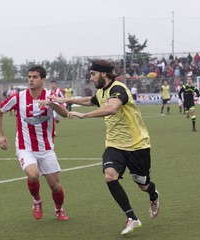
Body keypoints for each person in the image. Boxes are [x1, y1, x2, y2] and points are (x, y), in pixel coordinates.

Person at [49, 60, 159, 236]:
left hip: (137, 145)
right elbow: (90, 100)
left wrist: (84, 116)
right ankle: (132, 218)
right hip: (114, 145)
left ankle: (153, 195)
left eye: (93, 74)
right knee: (110, 175)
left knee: (143, 184)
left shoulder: (118, 89)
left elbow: (112, 108)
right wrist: (65, 99)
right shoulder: (101, 92)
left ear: (104, 74)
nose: (91, 78)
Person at [0, 66, 69, 221]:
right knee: (33, 174)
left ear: (43, 80)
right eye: (29, 77)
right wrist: (0, 135)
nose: (31, 80)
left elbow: (65, 113)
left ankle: (59, 209)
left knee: (55, 186)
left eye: (35, 77)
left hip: (46, 148)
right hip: (25, 147)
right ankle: (37, 201)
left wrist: (51, 104)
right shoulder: (19, 97)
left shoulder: (50, 95)